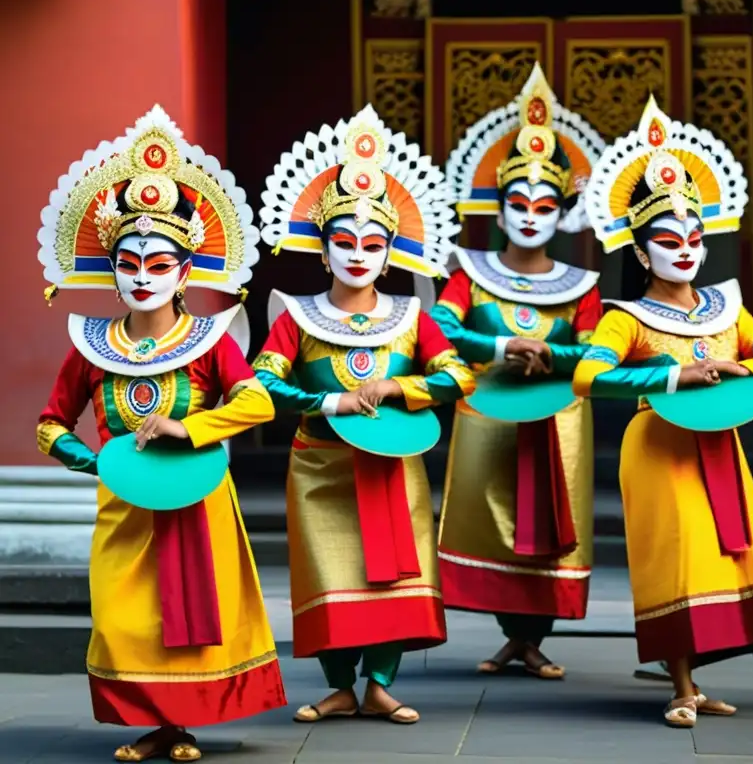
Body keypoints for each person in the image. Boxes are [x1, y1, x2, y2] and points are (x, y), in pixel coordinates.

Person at [36, 105, 285, 762]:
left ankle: (180, 725)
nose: (143, 274)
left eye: (160, 262)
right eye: (129, 261)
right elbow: (50, 423)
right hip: (124, 507)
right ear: (112, 268)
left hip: (198, 498)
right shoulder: (90, 346)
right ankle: (152, 723)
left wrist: (189, 425)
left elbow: (256, 404)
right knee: (125, 618)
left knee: (195, 618)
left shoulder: (207, 342)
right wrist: (89, 460)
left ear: (185, 271)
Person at [574, 96, 753, 727]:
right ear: (641, 254)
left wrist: (738, 369)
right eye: (668, 242)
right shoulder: (627, 316)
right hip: (661, 445)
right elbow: (589, 378)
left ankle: (695, 683)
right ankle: (678, 684)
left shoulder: (727, 308)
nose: (685, 251)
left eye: (694, 239)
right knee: (674, 555)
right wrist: (675, 374)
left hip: (719, 444)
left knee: (718, 555)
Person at [255, 104, 475, 725]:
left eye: (372, 244)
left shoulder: (413, 317)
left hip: (392, 463)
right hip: (322, 466)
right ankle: (338, 686)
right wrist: (331, 400)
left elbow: (459, 374)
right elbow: (264, 383)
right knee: (330, 572)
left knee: (391, 579)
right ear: (323, 252)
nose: (357, 255)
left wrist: (400, 386)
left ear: (390, 253)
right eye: (343, 243)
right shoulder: (295, 317)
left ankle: (380, 683)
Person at [432, 63, 605, 679]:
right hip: (489, 413)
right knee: (494, 518)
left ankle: (532, 639)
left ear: (563, 213)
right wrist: (504, 345)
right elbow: (443, 331)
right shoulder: (467, 273)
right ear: (498, 209)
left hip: (557, 417)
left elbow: (596, 348)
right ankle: (513, 636)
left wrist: (553, 354)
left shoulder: (581, 284)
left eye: (545, 205)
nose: (531, 215)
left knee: (552, 522)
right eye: (517, 203)